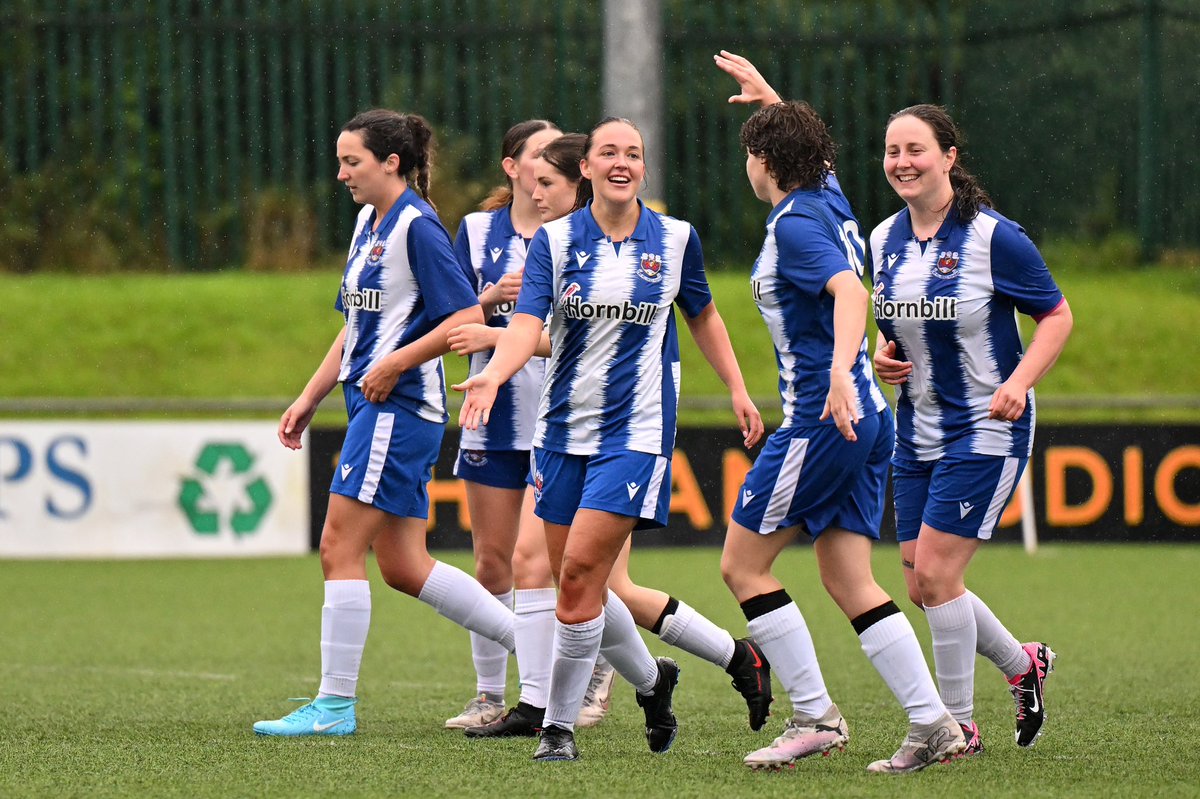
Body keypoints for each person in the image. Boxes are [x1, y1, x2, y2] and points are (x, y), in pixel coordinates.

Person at [455, 117, 764, 762]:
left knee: (574, 579)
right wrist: (491, 377)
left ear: (642, 169)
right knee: (583, 585)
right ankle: (656, 683)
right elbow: (528, 324)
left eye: (633, 153)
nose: (621, 161)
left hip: (636, 433)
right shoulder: (557, 242)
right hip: (562, 433)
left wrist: (736, 387)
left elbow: (703, 314)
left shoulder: (677, 240)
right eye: (608, 152)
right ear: (588, 168)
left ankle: (556, 727)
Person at [713, 51, 968, 774]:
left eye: (753, 155)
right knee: (848, 577)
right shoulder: (827, 198)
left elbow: (852, 294)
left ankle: (815, 715)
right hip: (867, 418)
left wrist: (834, 377)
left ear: (765, 160)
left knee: (741, 564)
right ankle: (932, 723)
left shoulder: (797, 223)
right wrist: (770, 98)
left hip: (825, 420)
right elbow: (808, 149)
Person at [252, 109, 517, 737]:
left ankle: (334, 706)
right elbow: (356, 326)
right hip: (372, 406)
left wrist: (396, 362)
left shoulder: (418, 229)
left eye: (353, 162)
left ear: (391, 162)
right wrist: (311, 395)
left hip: (400, 411)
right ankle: (551, 654)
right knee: (404, 566)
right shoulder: (367, 223)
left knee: (337, 546)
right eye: (341, 160)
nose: (341, 173)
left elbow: (460, 320)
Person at [871, 103, 1072, 752]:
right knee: (920, 581)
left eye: (916, 149)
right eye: (892, 150)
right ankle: (1023, 664)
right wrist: (883, 353)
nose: (902, 162)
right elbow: (897, 322)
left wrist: (1018, 383)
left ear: (949, 157)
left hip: (987, 427)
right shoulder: (882, 240)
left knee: (934, 572)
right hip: (917, 430)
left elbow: (1058, 316)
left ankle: (956, 726)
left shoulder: (994, 238)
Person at [443, 123, 617, 737]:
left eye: (555, 162)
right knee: (493, 563)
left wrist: (507, 329)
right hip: (490, 417)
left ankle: (580, 678)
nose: (544, 171)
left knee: (556, 565)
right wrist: (492, 300)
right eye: (536, 159)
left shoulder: (591, 235)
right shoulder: (476, 230)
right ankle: (492, 692)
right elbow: (450, 316)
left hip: (566, 423)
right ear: (511, 166)